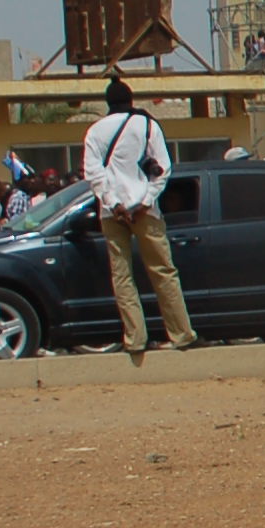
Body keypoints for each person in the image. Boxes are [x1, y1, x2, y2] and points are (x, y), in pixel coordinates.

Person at [80, 79, 201, 359]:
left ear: (108, 102)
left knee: (122, 276)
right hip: (146, 211)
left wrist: (114, 204)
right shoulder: (147, 126)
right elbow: (163, 169)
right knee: (163, 271)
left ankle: (135, 339)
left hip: (112, 213)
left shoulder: (95, 131)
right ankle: (181, 334)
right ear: (130, 99)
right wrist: (144, 202)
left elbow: (93, 174)